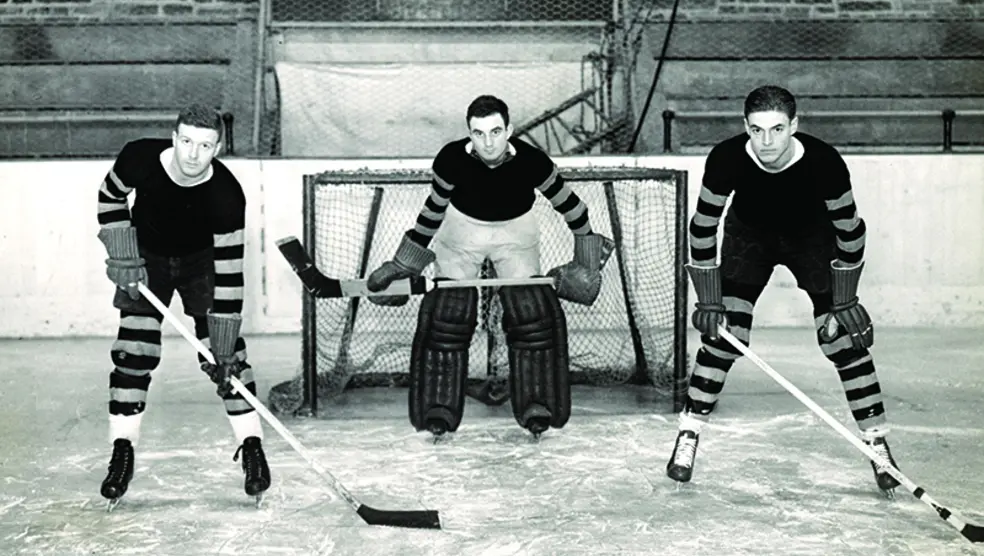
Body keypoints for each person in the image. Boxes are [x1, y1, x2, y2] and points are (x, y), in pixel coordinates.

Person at [667, 85, 901, 495]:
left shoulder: (824, 162)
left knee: (842, 340)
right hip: (748, 241)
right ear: (745, 127)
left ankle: (878, 445)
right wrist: (708, 298)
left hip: (812, 242)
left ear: (794, 125)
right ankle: (688, 434)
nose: (767, 142)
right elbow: (702, 227)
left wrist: (845, 295)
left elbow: (850, 230)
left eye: (777, 129)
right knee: (725, 337)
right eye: (757, 130)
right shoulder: (726, 158)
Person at [366, 95, 614, 439]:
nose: (488, 142)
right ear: (469, 133)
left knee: (531, 313)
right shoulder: (451, 159)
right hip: (462, 230)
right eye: (478, 133)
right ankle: (439, 407)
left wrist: (587, 262)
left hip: (516, 230)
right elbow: (433, 211)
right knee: (447, 315)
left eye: (496, 131)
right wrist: (404, 262)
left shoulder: (533, 161)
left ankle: (536, 403)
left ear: (509, 130)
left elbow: (571, 205)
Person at [95, 104, 270, 508]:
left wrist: (223, 345)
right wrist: (123, 252)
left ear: (218, 148)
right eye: (186, 141)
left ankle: (253, 448)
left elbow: (228, 274)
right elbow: (110, 196)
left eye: (205, 145)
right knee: (133, 351)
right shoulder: (138, 158)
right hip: (146, 261)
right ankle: (122, 451)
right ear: (174, 137)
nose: (193, 154)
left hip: (200, 264)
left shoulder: (227, 197)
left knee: (230, 360)